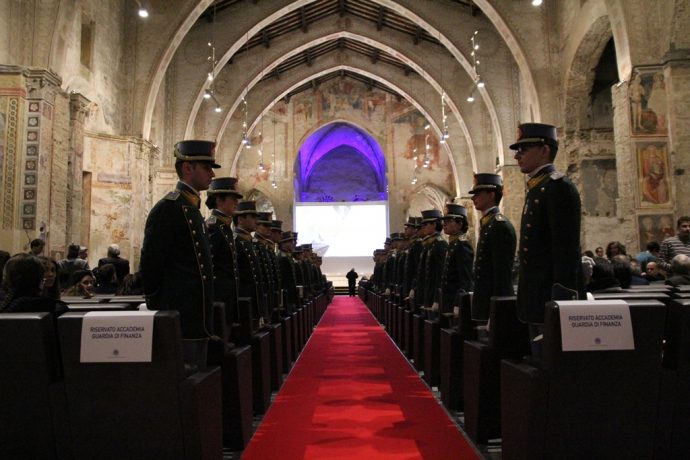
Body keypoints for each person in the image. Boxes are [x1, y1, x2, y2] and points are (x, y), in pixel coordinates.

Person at [139, 140, 219, 372]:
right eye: (206, 167)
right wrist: (163, 312)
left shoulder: (191, 210)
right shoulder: (169, 209)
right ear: (187, 168)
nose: (212, 174)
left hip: (197, 316)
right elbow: (151, 265)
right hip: (180, 314)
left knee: (199, 379)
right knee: (184, 380)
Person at [512, 123, 584, 356]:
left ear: (544, 150)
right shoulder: (538, 188)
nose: (517, 155)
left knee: (550, 363)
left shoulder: (557, 187)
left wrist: (560, 299)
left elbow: (565, 249)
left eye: (524, 148)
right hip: (535, 295)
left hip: (549, 296)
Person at [469, 173, 517, 321]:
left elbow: (501, 274)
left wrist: (497, 310)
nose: (473, 198)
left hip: (493, 301)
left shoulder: (498, 226)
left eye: (478, 193)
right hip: (485, 300)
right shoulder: (489, 224)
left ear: (491, 194)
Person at [205, 177, 243, 337]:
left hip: (227, 296)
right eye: (232, 199)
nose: (236, 203)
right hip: (219, 296)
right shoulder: (214, 227)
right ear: (220, 199)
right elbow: (210, 264)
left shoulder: (224, 227)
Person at [0, 254, 67, 316]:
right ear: (40, 279)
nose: (50, 274)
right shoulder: (56, 307)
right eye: (46, 270)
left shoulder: (7, 306)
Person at [440, 203, 474, 317]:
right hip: (447, 299)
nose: (444, 224)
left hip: (454, 301)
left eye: (449, 220)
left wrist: (458, 304)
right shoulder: (453, 244)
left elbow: (465, 279)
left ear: (460, 223)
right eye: (444, 220)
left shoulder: (462, 246)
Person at [415, 209, 448, 316]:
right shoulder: (429, 245)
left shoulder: (440, 245)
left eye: (425, 224)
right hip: (427, 294)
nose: (422, 227)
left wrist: (437, 299)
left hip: (433, 295)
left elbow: (440, 275)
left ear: (434, 224)